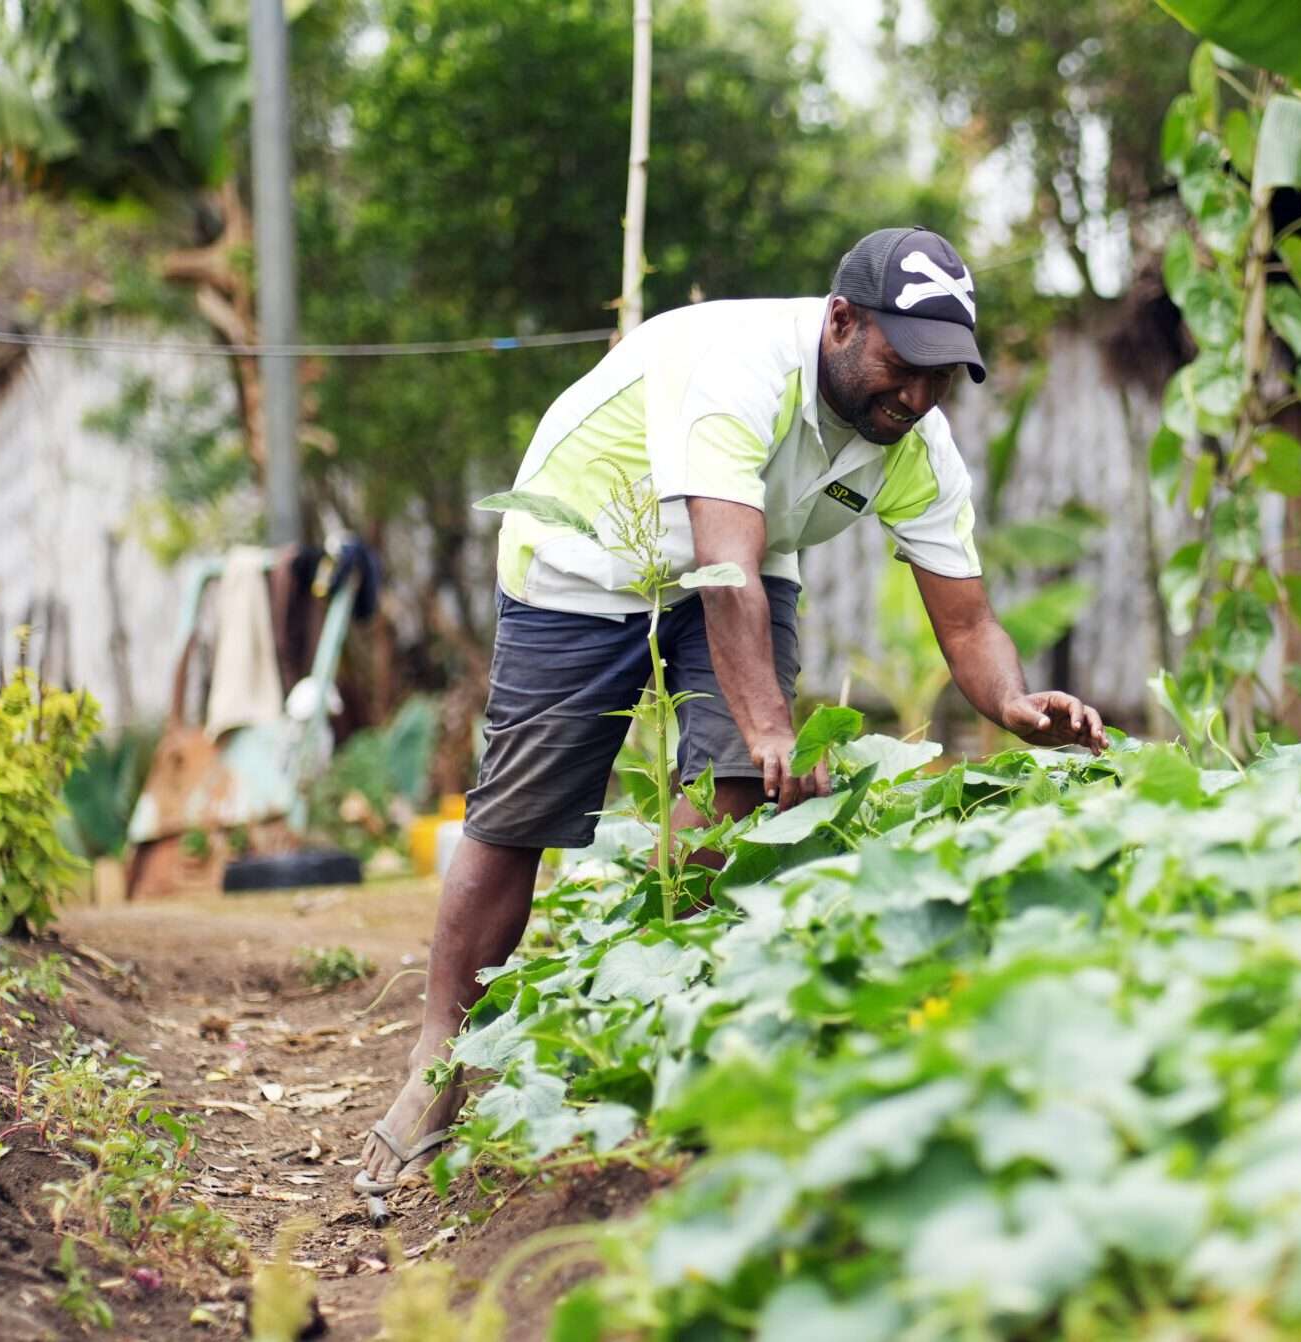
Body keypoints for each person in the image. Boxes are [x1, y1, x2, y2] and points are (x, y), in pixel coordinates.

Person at [356, 227, 1111, 1193]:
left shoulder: (916, 440)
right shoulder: (740, 364)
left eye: (941, 377)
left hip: (748, 561)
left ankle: (648, 1009)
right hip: (589, 552)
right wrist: (767, 726)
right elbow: (723, 575)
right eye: (902, 364)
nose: (917, 397)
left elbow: (967, 621)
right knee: (519, 818)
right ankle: (437, 1067)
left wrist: (1012, 701)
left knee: (735, 794)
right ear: (841, 320)